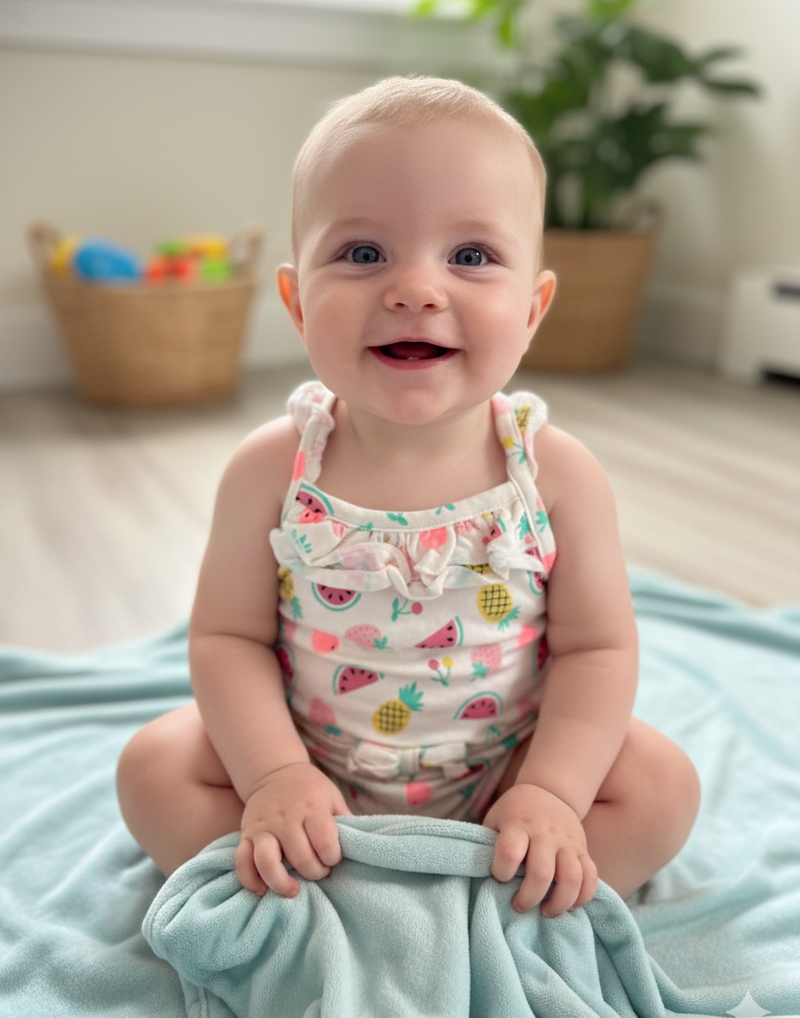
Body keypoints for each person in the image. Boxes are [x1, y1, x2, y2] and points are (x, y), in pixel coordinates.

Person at [117, 76, 700, 918]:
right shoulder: (274, 470)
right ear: (295, 303)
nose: (416, 289)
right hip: (313, 768)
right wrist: (275, 774)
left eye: (470, 257)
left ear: (532, 309)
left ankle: (492, 896)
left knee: (662, 786)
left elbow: (597, 652)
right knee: (155, 770)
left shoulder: (556, 476)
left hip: (505, 770)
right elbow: (227, 637)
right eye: (362, 254)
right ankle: (334, 894)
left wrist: (552, 793)